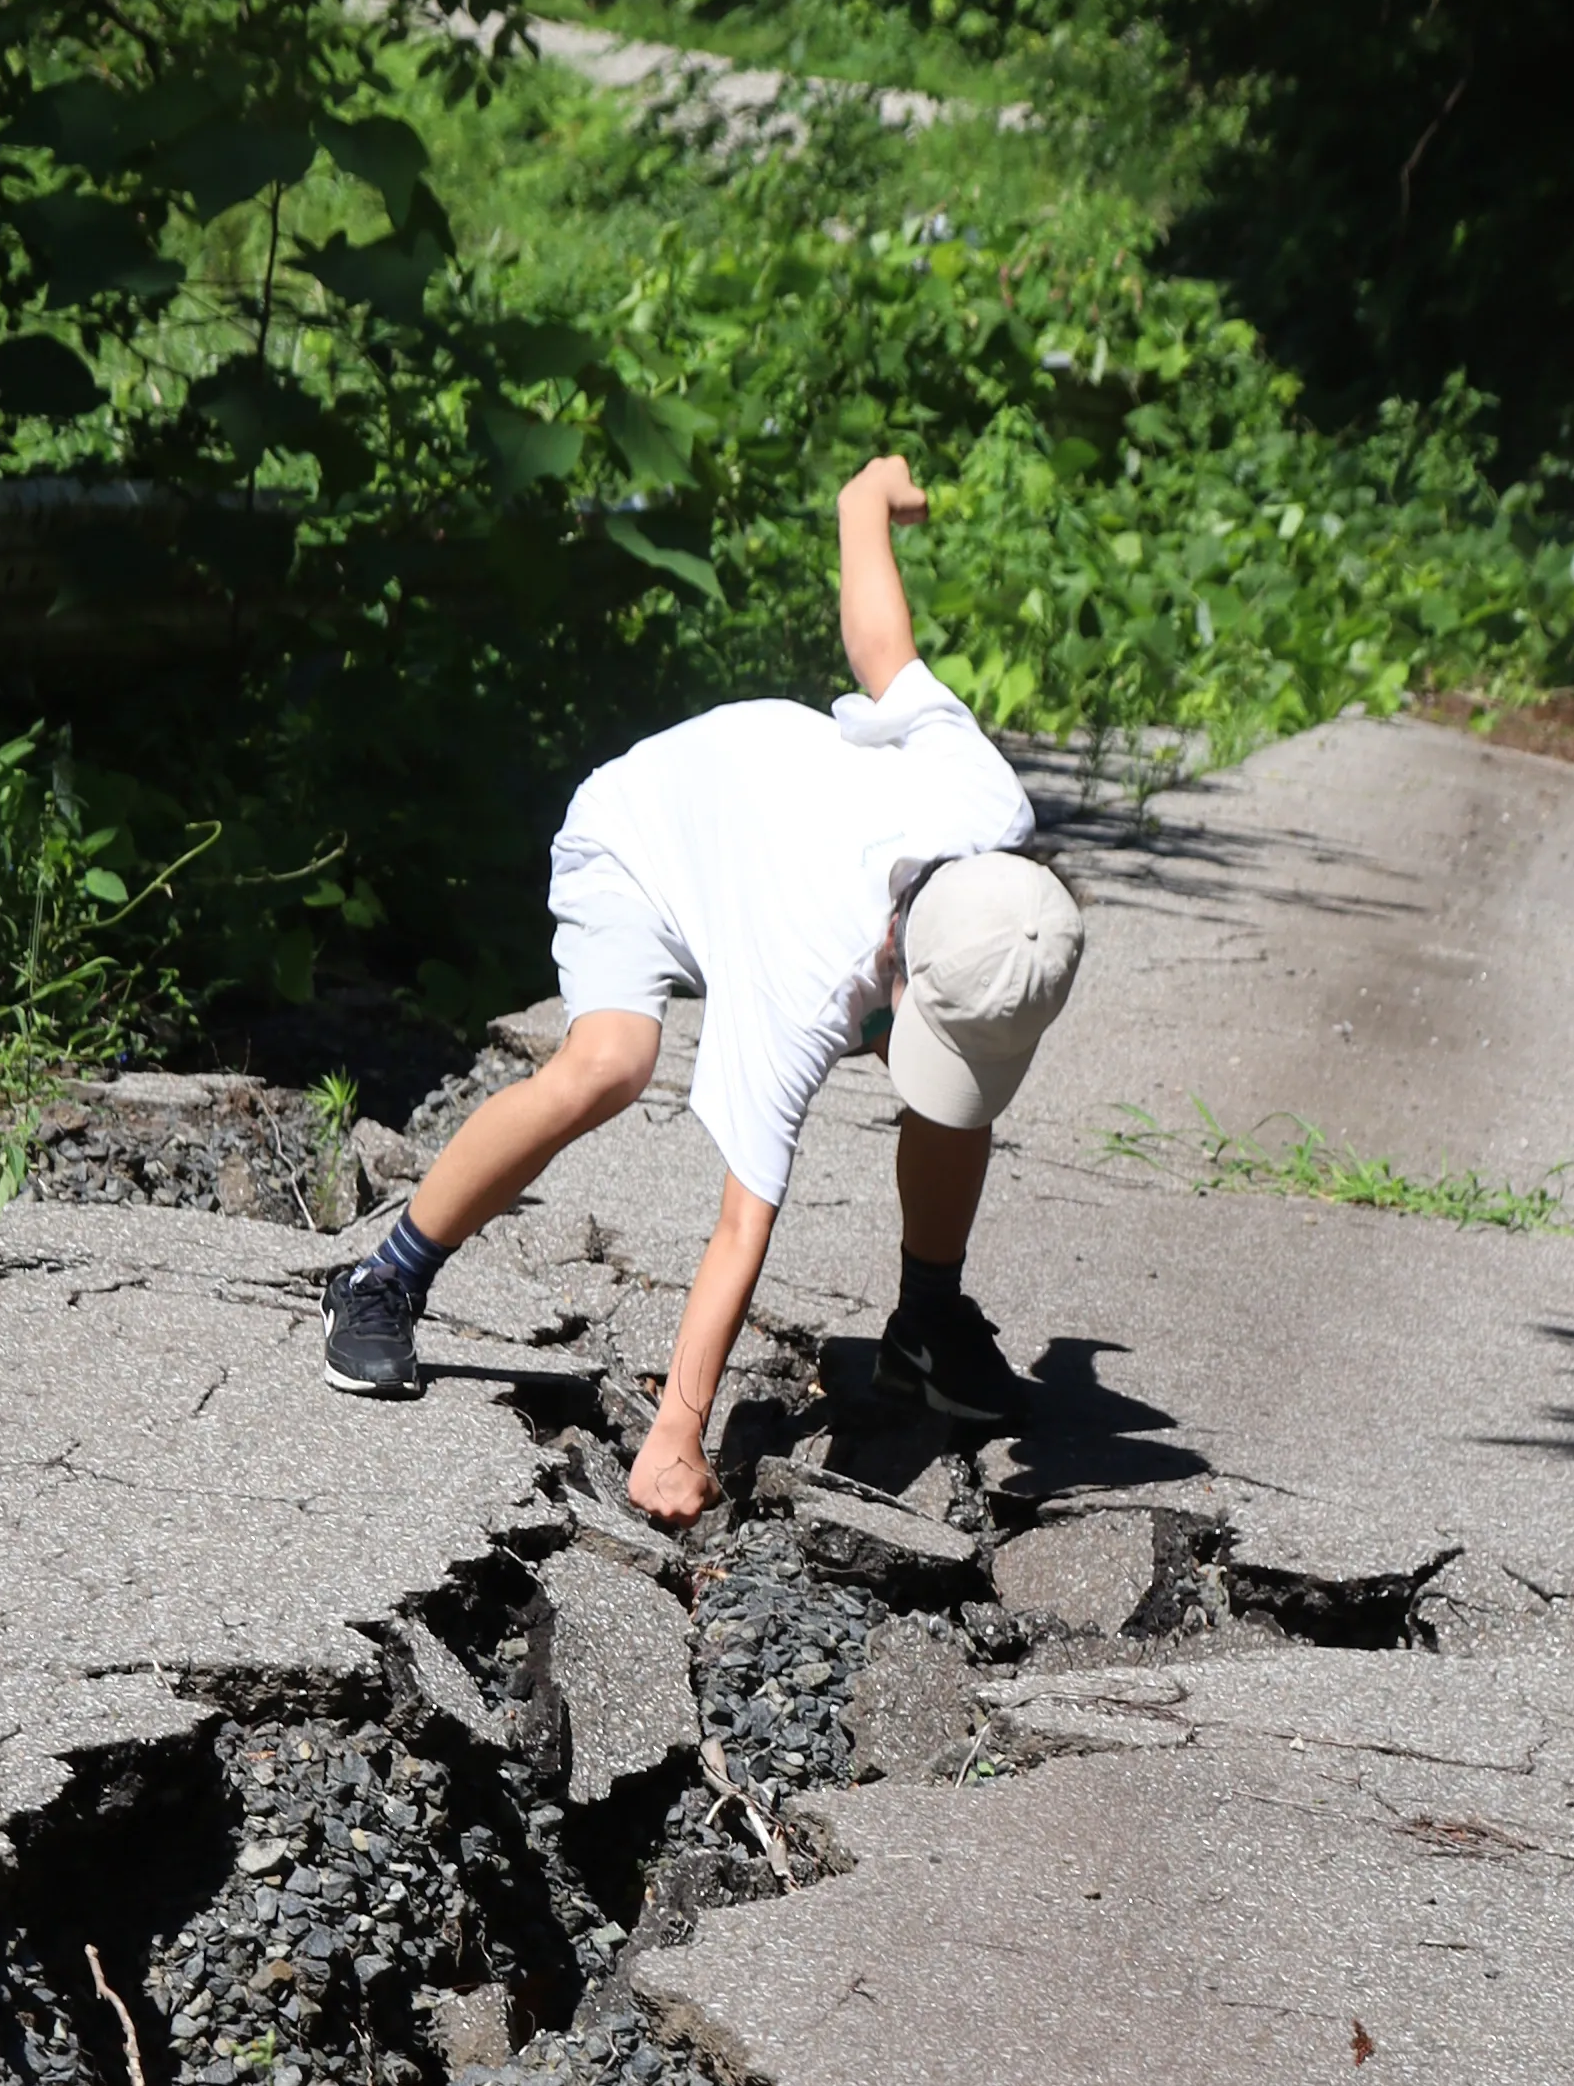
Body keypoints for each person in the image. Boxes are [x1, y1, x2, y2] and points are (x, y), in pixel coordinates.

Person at [315, 449, 1087, 1527]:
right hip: (642, 839)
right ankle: (383, 1278)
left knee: (952, 1091)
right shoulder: (801, 973)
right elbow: (739, 1222)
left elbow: (885, 652)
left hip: (771, 837)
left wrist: (863, 502)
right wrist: (677, 1433)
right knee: (609, 1064)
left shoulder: (987, 814)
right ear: (896, 961)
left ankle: (925, 1324)